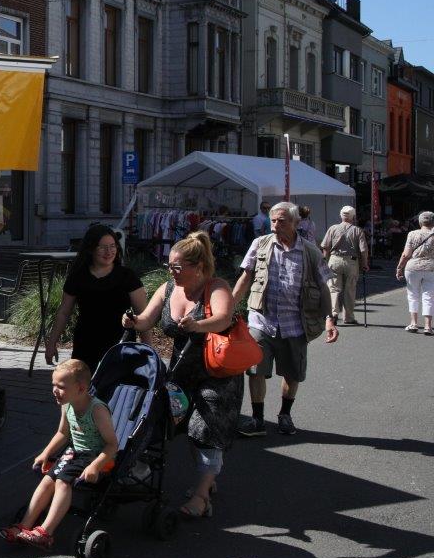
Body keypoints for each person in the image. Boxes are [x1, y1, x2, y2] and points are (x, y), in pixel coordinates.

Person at [121, 232, 242, 518]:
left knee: (204, 429)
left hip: (216, 373)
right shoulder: (167, 289)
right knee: (167, 421)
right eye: (169, 266)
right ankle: (205, 477)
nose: (171, 272)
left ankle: (202, 496)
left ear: (198, 267)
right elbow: (146, 320)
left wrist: (198, 325)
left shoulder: (216, 287)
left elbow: (223, 318)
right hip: (180, 371)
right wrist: (132, 321)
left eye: (177, 267)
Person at [233, 202, 337, 438]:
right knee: (255, 370)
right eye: (273, 220)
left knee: (292, 373)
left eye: (281, 221)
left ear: (295, 223)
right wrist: (227, 308)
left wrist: (330, 318)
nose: (275, 226)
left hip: (296, 324)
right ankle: (258, 419)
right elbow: (245, 278)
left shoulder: (310, 251)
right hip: (261, 320)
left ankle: (285, 415)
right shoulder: (260, 244)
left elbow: (324, 286)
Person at [0, 358, 117, 551]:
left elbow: (112, 445)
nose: (55, 390)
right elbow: (63, 433)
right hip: (75, 453)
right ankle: (24, 526)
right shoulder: (67, 404)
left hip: (96, 456)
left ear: (81, 388)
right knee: (48, 479)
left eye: (61, 386)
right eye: (53, 385)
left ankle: (46, 533)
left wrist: (95, 466)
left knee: (62, 481)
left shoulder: (97, 410)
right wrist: (45, 453)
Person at [45, 224, 149, 372]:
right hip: (85, 344)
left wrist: (148, 349)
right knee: (83, 385)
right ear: (91, 248)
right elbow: (64, 312)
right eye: (102, 247)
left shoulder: (127, 276)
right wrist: (51, 342)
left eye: (112, 246)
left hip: (120, 346)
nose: (109, 251)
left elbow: (144, 315)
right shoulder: (78, 276)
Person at [320, 206, 370, 325]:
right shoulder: (357, 230)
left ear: (340, 215)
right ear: (353, 217)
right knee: (350, 290)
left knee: (333, 289)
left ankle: (333, 314)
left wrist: (325, 261)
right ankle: (348, 317)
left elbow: (325, 247)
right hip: (351, 261)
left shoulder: (333, 228)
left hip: (334, 260)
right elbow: (363, 250)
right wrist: (364, 263)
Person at [396, 211, 434, 334]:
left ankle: (413, 324)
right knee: (429, 296)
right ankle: (428, 326)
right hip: (431, 268)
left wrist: (399, 267)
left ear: (420, 222)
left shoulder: (412, 234)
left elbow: (406, 254)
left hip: (413, 268)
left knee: (413, 295)